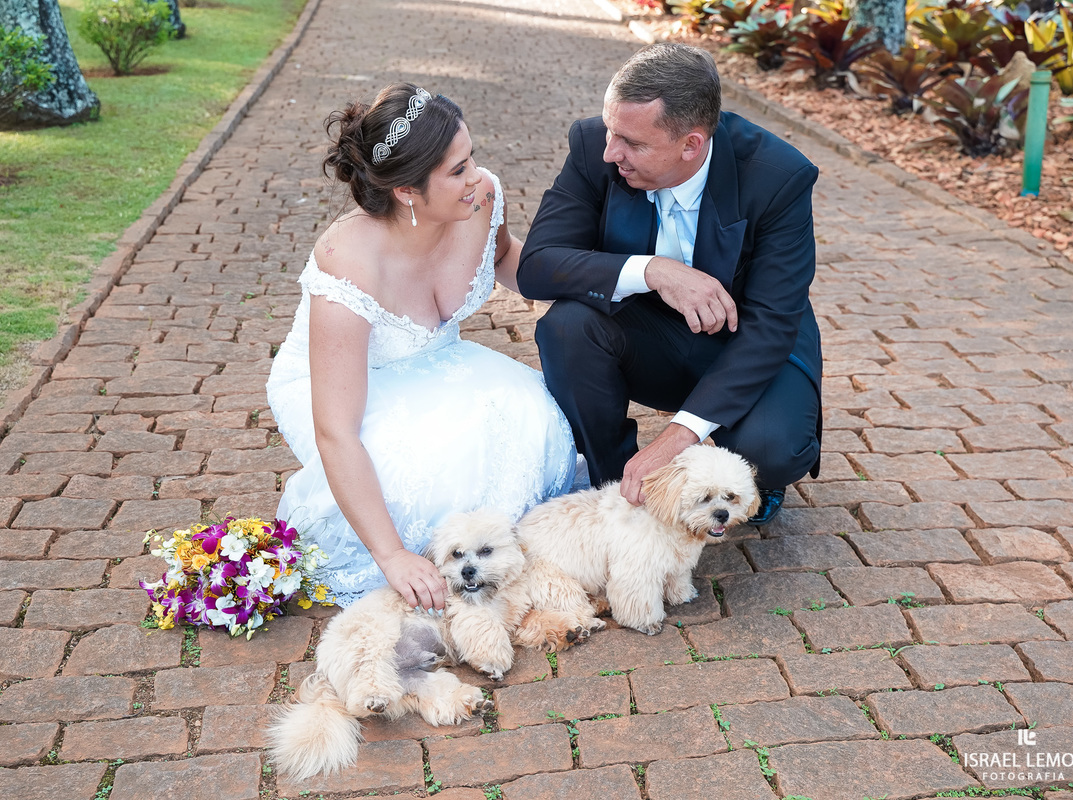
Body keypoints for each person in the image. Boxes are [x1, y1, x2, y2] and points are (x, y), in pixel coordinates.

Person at [266, 83, 577, 611]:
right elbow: (335, 430)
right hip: (344, 385)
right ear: (407, 192)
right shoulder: (349, 259)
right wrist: (390, 555)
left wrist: (605, 283)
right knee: (429, 472)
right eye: (456, 171)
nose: (475, 177)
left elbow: (506, 262)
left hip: (438, 361)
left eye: (471, 156)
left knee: (528, 416)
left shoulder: (481, 196)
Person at [517, 43, 822, 526]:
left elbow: (772, 324)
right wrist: (654, 270)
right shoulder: (595, 148)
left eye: (633, 143)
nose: (610, 152)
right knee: (567, 326)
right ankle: (618, 489)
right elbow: (537, 266)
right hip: (644, 336)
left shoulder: (779, 178)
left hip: (747, 343)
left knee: (774, 448)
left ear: (691, 145)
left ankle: (751, 478)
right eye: (612, 130)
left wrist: (681, 434)